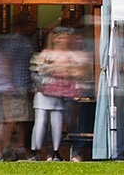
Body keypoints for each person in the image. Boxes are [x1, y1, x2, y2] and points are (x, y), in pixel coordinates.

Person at [30, 27, 84, 161]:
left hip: (60, 94)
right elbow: (36, 71)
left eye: (64, 37)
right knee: (41, 121)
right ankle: (35, 151)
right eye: (59, 37)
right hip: (44, 93)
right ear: (53, 38)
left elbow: (77, 72)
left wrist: (64, 70)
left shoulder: (70, 55)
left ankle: (55, 151)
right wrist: (57, 68)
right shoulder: (46, 53)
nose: (62, 40)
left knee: (57, 123)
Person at [0, 18, 36, 161]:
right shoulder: (15, 42)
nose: (32, 27)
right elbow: (7, 62)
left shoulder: (26, 40)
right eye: (30, 24)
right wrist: (9, 83)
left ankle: (20, 148)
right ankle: (6, 149)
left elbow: (43, 31)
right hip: (15, 87)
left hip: (24, 86)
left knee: (24, 119)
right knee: (12, 119)